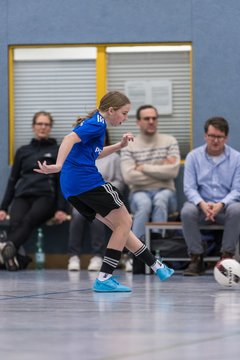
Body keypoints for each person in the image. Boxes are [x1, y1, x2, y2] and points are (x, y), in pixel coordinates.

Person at [34, 91, 174, 292]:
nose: (125, 119)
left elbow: (95, 154)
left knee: (120, 227)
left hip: (73, 187)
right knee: (125, 222)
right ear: (111, 110)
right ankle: (105, 277)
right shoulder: (97, 123)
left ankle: (156, 266)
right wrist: (58, 164)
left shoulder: (95, 123)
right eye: (124, 113)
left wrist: (120, 145)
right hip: (86, 182)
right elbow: (68, 139)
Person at [0, 111, 69, 271]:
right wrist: (3, 207)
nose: (43, 127)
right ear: (33, 126)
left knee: (28, 220)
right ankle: (15, 260)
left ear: (50, 127)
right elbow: (12, 180)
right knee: (16, 222)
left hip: (46, 197)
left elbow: (61, 181)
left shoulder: (57, 150)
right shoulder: (23, 151)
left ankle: (4, 249)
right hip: (22, 196)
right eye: (40, 124)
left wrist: (61, 208)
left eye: (46, 124)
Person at [181, 116, 240, 276]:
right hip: (201, 207)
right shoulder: (193, 157)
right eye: (212, 136)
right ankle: (196, 258)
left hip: (225, 209)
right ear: (205, 136)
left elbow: (237, 189)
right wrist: (202, 204)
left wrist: (221, 204)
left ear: (226, 138)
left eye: (219, 137)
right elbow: (189, 188)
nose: (215, 140)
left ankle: (227, 257)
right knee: (187, 211)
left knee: (237, 208)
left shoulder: (236, 158)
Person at [68, 129, 125, 272]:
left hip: (104, 197)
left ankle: (97, 256)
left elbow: (119, 181)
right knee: (76, 215)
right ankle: (73, 256)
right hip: (83, 197)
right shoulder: (80, 155)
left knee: (98, 217)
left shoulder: (114, 157)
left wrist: (103, 189)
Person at [121, 105, 180, 240]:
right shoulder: (129, 145)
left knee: (160, 200)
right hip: (138, 192)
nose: (151, 121)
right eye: (147, 118)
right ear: (138, 122)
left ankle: (157, 246)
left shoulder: (170, 141)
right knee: (144, 203)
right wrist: (161, 170)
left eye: (154, 118)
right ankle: (137, 251)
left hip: (166, 191)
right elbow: (129, 177)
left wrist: (143, 167)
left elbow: (173, 172)